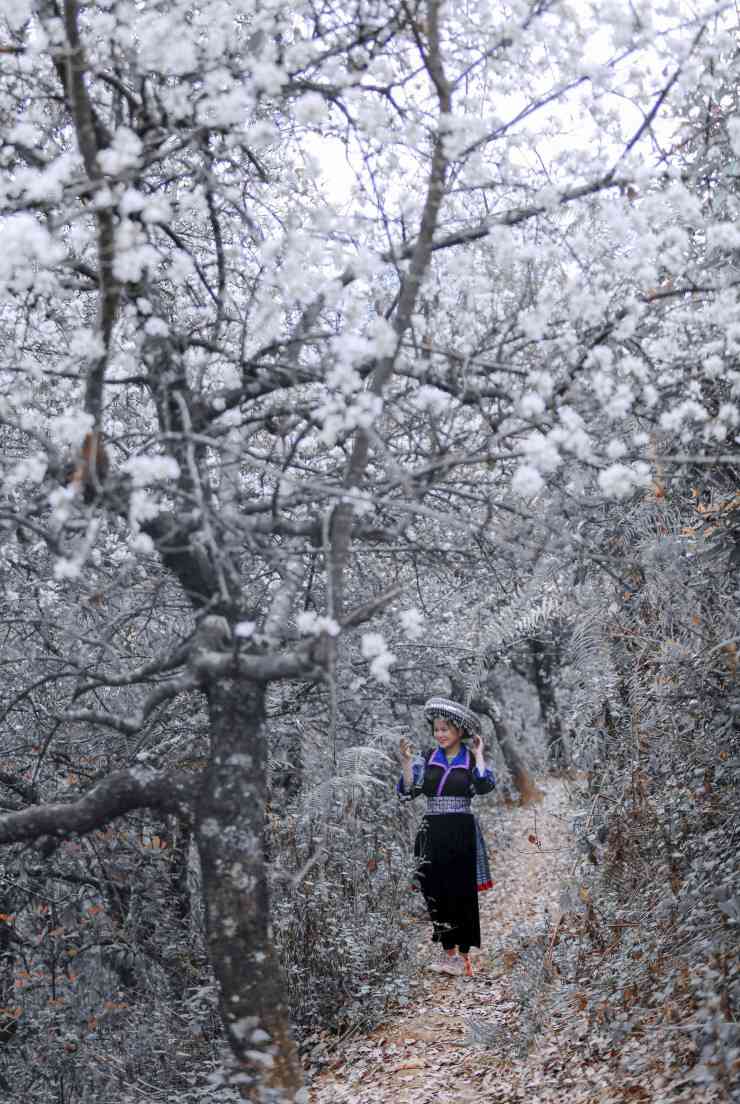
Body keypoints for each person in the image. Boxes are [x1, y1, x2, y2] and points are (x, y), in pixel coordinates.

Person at [397, 696, 495, 978]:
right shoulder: (427, 758)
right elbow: (408, 791)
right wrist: (405, 763)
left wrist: (478, 755)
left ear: (460, 732)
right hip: (432, 830)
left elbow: (485, 785)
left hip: (461, 829)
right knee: (435, 891)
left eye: (446, 730)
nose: (440, 734)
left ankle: (462, 956)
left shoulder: (468, 759)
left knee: (461, 891)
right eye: (437, 729)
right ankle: (447, 952)